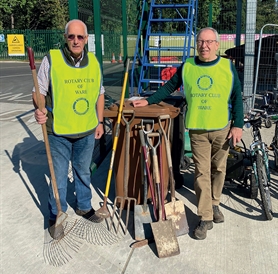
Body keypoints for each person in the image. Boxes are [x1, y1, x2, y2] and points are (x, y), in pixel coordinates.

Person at [132, 27, 244, 240]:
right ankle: (205, 217)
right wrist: (148, 100)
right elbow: (169, 87)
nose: (205, 46)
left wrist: (238, 124)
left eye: (209, 42)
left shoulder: (227, 67)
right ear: (197, 44)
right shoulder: (188, 66)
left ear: (217, 45)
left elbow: (237, 96)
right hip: (198, 130)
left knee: (219, 169)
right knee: (201, 173)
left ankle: (215, 203)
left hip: (222, 127)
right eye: (201, 41)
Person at [32, 19, 105, 235]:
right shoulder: (52, 59)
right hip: (59, 131)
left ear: (86, 40)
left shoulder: (93, 62)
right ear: (65, 37)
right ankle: (57, 215)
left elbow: (99, 93)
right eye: (71, 36)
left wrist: (99, 121)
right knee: (59, 176)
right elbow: (38, 92)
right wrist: (40, 108)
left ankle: (84, 206)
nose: (75, 40)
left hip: (86, 130)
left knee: (83, 171)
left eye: (80, 37)